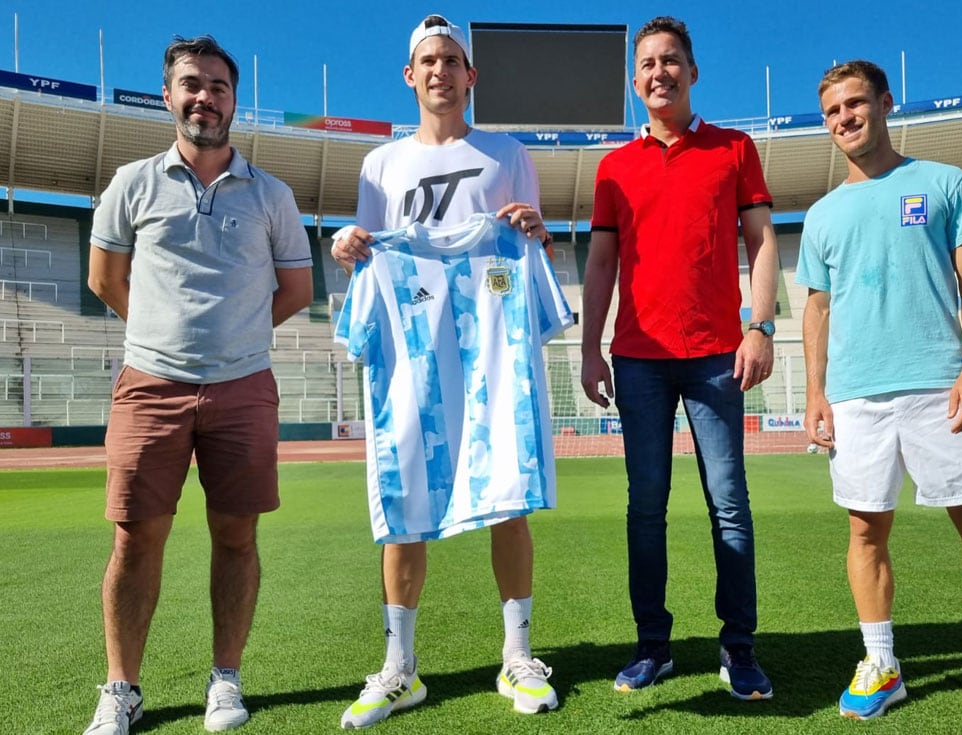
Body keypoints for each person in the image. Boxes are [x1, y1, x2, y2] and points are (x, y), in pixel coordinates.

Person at [797, 60, 962, 735]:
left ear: (884, 103)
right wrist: (816, 392)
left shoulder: (943, 183)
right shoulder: (822, 215)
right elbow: (817, 309)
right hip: (854, 397)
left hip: (941, 385)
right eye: (832, 112)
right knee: (863, 528)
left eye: (855, 104)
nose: (844, 118)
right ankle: (880, 662)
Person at [329, 14, 566, 728]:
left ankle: (517, 653)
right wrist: (348, 247)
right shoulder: (381, 165)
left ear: (471, 75)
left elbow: (532, 240)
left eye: (451, 59)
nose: (439, 70)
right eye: (427, 60)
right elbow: (370, 250)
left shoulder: (506, 155)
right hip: (414, 362)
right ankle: (400, 667)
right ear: (411, 75)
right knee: (402, 506)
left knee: (510, 497)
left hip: (492, 355)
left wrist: (532, 231)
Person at [82, 35, 313, 735]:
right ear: (168, 95)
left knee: (236, 535)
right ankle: (122, 688)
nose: (204, 97)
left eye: (217, 85)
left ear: (234, 101)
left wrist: (233, 337)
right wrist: (165, 336)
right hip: (150, 384)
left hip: (243, 386)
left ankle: (225, 677)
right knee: (135, 538)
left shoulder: (271, 194)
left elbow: (297, 289)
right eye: (192, 83)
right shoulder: (131, 183)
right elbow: (104, 280)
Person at [580, 16, 779, 700]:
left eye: (670, 61)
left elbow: (762, 242)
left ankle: (739, 647)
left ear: (692, 72)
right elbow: (602, 261)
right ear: (636, 82)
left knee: (729, 505)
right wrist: (589, 347)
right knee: (646, 507)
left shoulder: (734, 149)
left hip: (717, 355)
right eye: (647, 65)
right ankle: (652, 646)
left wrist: (761, 325)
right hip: (637, 358)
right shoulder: (614, 167)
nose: (658, 72)